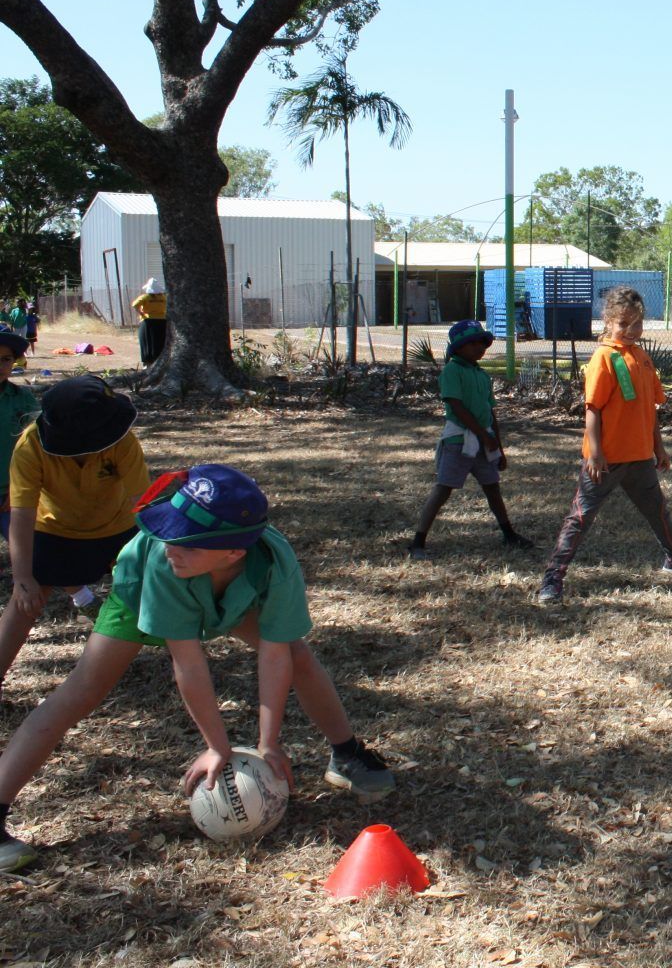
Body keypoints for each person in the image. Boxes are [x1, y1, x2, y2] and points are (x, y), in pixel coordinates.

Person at [0, 465, 396, 873]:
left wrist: (269, 742)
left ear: (233, 552)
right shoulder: (163, 558)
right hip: (144, 595)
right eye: (168, 531)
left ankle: (347, 755)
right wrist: (217, 746)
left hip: (228, 594)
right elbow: (188, 663)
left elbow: (275, 655)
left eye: (187, 542)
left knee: (297, 656)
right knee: (82, 691)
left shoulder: (274, 561)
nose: (171, 545)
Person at [535, 287, 672, 605]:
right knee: (581, 517)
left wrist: (659, 448)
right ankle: (553, 578)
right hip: (606, 460)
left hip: (640, 457)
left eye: (637, 324)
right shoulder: (603, 358)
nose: (631, 331)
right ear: (608, 321)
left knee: (658, 512)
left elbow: (651, 408)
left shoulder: (642, 357)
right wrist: (596, 452)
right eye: (623, 324)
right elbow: (593, 408)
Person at [0, 376, 149, 694]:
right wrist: (22, 576)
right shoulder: (30, 447)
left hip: (118, 528)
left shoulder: (124, 442)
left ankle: (186, 666)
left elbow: (142, 503)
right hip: (56, 531)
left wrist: (159, 554)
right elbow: (22, 514)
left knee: (159, 590)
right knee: (24, 603)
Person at [407, 320, 534, 560]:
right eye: (473, 343)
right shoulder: (452, 371)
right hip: (459, 441)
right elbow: (456, 406)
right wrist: (484, 435)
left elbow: (490, 410)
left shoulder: (482, 375)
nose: (480, 347)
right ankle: (418, 541)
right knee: (443, 489)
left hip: (484, 442)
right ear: (458, 348)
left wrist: (498, 446)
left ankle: (508, 533)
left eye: (482, 343)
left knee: (492, 488)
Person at [0, 331, 38, 542]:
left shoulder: (21, 398)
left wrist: (17, 488)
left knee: (24, 547)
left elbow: (35, 442)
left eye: (6, 359)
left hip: (12, 490)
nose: (0, 366)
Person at [132, 279, 167, 366]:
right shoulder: (163, 298)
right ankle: (159, 362)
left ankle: (147, 363)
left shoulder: (145, 297)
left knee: (147, 342)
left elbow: (134, 305)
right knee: (160, 342)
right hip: (162, 322)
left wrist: (141, 313)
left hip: (148, 322)